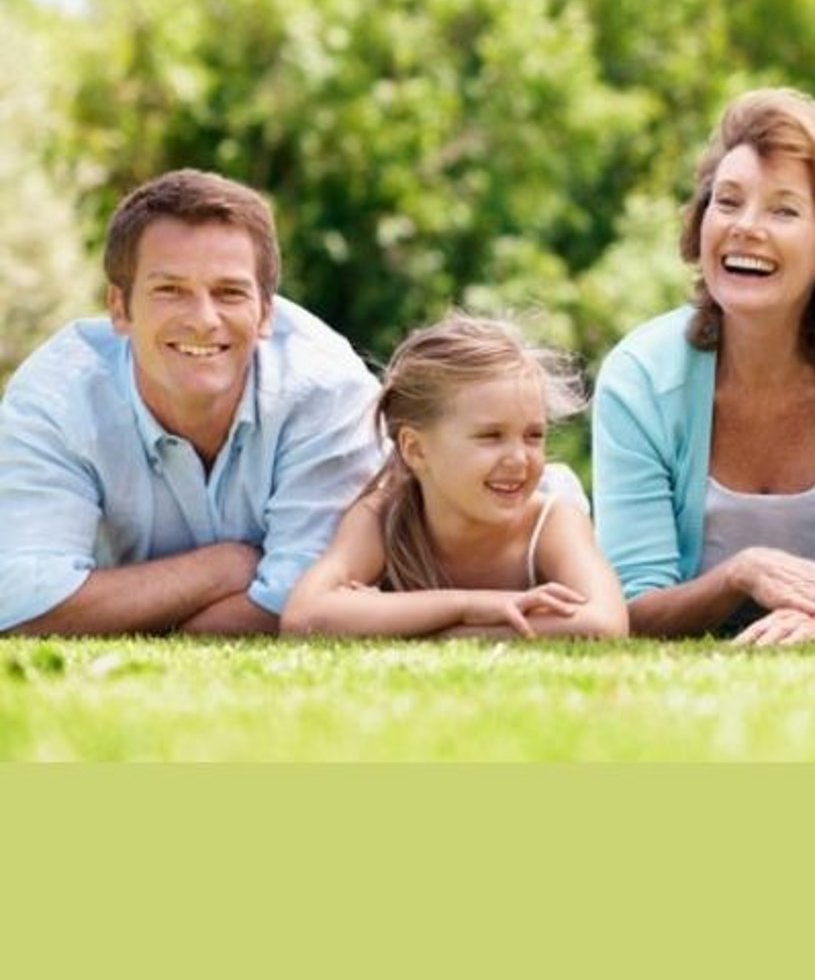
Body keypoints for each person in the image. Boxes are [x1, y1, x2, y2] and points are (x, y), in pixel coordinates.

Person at [592, 88, 815, 645]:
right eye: (727, 202)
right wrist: (741, 574)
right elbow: (632, 605)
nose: (745, 226)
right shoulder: (640, 377)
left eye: (783, 210)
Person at [0, 169, 380, 637]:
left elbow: (306, 600)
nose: (203, 320)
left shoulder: (327, 390)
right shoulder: (57, 398)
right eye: (170, 290)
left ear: (265, 313)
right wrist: (223, 568)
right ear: (119, 308)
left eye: (229, 293)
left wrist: (126, 612)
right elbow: (19, 604)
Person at [283, 315, 627, 640]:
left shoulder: (551, 521)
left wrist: (440, 630)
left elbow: (605, 623)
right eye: (491, 436)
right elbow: (303, 616)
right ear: (415, 450)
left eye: (534, 435)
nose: (519, 458)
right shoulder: (382, 517)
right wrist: (471, 605)